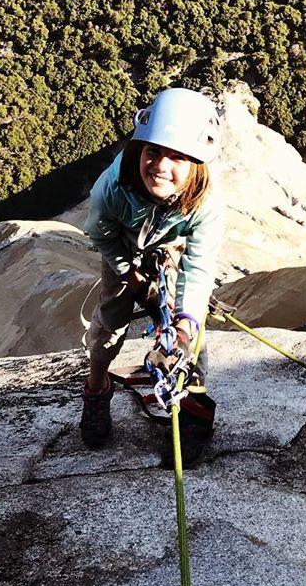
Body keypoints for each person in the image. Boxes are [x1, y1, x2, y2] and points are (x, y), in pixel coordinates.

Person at [82, 88, 225, 467]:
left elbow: (199, 265)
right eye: (153, 152)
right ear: (138, 149)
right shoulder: (112, 185)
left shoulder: (206, 203)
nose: (161, 165)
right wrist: (129, 274)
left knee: (190, 340)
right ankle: (97, 388)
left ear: (196, 165)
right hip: (123, 249)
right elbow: (100, 232)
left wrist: (185, 321)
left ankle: (190, 415)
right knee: (110, 323)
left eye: (177, 156)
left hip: (172, 249)